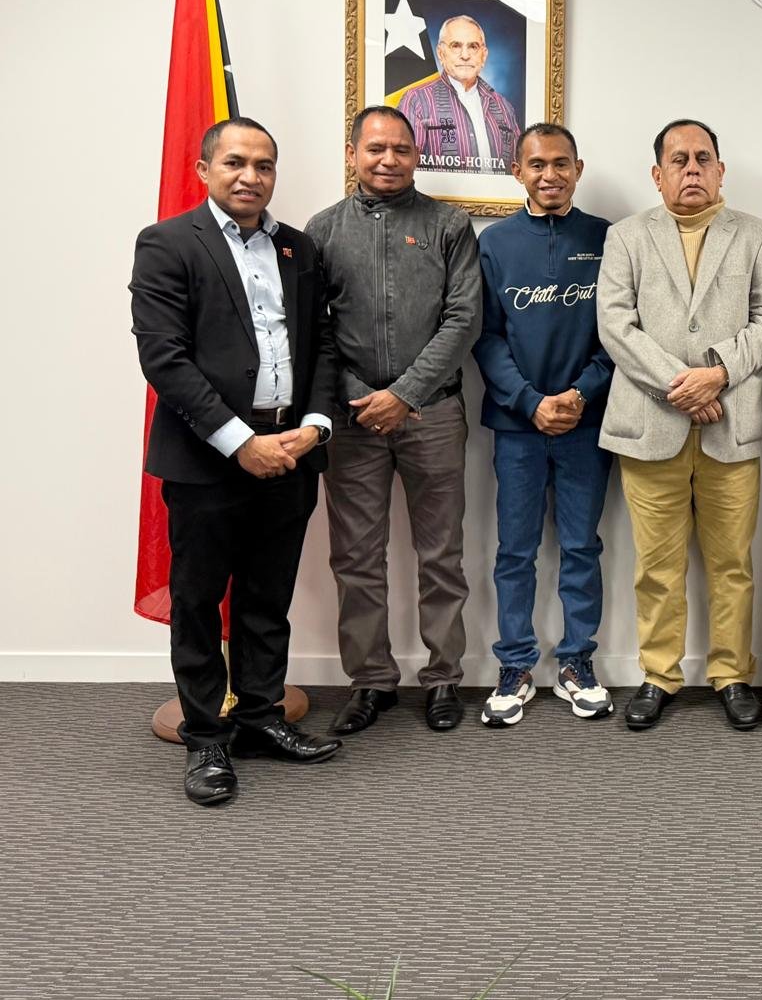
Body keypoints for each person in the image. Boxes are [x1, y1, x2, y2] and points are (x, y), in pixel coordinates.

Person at [130, 118, 342, 806]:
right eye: (236, 162)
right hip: (208, 458)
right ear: (204, 170)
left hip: (291, 451)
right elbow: (164, 357)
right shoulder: (166, 244)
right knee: (198, 603)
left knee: (267, 597)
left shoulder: (297, 247)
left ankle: (258, 719)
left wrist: (313, 427)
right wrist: (238, 442)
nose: (251, 176)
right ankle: (206, 739)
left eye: (264, 165)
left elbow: (322, 343)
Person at [597, 118, 762, 731]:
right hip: (649, 424)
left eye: (703, 158)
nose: (692, 169)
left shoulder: (757, 236)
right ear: (658, 174)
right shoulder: (627, 237)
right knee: (656, 567)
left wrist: (718, 374)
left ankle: (732, 675)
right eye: (679, 160)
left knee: (733, 564)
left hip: (732, 426)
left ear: (721, 170)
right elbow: (615, 326)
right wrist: (683, 386)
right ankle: (659, 675)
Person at [306, 106, 482, 736]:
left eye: (401, 149)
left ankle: (443, 679)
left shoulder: (449, 225)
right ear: (352, 153)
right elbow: (316, 327)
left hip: (433, 413)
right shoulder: (322, 230)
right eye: (376, 148)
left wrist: (404, 394)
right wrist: (362, 396)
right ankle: (371, 681)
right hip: (352, 420)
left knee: (441, 554)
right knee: (355, 557)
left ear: (417, 156)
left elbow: (464, 319)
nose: (388, 160)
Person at [474, 123, 615, 727]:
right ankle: (515, 665)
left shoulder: (607, 238)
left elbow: (620, 334)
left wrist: (581, 394)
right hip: (518, 426)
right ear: (517, 171)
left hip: (587, 424)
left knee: (582, 546)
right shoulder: (495, 243)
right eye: (537, 164)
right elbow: (484, 336)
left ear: (578, 169)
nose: (549, 175)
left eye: (561, 163)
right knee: (516, 550)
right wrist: (530, 401)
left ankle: (577, 663)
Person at [397, 14, 522, 174]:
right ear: (441, 53)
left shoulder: (504, 107)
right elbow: (403, 168)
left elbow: (519, 171)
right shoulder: (416, 100)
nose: (465, 55)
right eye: (456, 46)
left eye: (473, 47)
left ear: (484, 55)